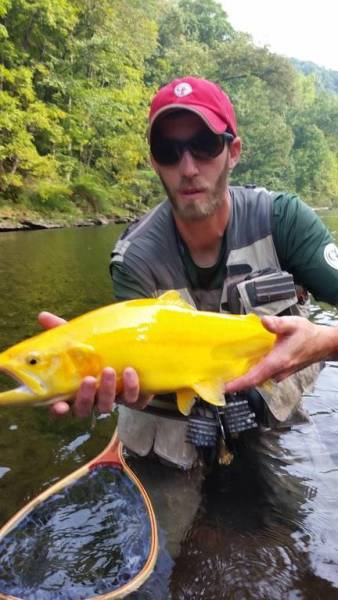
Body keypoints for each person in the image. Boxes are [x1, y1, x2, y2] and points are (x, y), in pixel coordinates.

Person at [42, 76, 338, 470]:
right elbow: (137, 386)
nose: (188, 167)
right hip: (172, 427)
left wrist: (325, 342)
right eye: (169, 151)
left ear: (233, 151)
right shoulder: (135, 260)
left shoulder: (284, 220)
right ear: (154, 162)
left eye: (204, 145)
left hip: (269, 408)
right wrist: (107, 378)